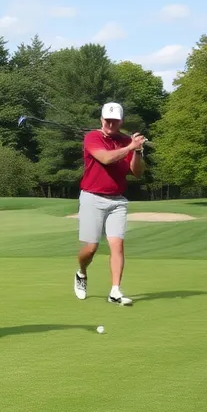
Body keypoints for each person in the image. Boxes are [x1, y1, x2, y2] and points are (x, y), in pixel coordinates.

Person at [74, 102, 147, 306]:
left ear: (121, 121)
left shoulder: (126, 140)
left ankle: (115, 290)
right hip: (92, 197)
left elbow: (138, 172)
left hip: (117, 200)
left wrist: (138, 151)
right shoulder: (93, 137)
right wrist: (130, 147)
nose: (110, 124)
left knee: (118, 245)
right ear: (101, 120)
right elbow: (105, 159)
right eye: (107, 120)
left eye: (115, 121)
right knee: (91, 248)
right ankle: (81, 273)